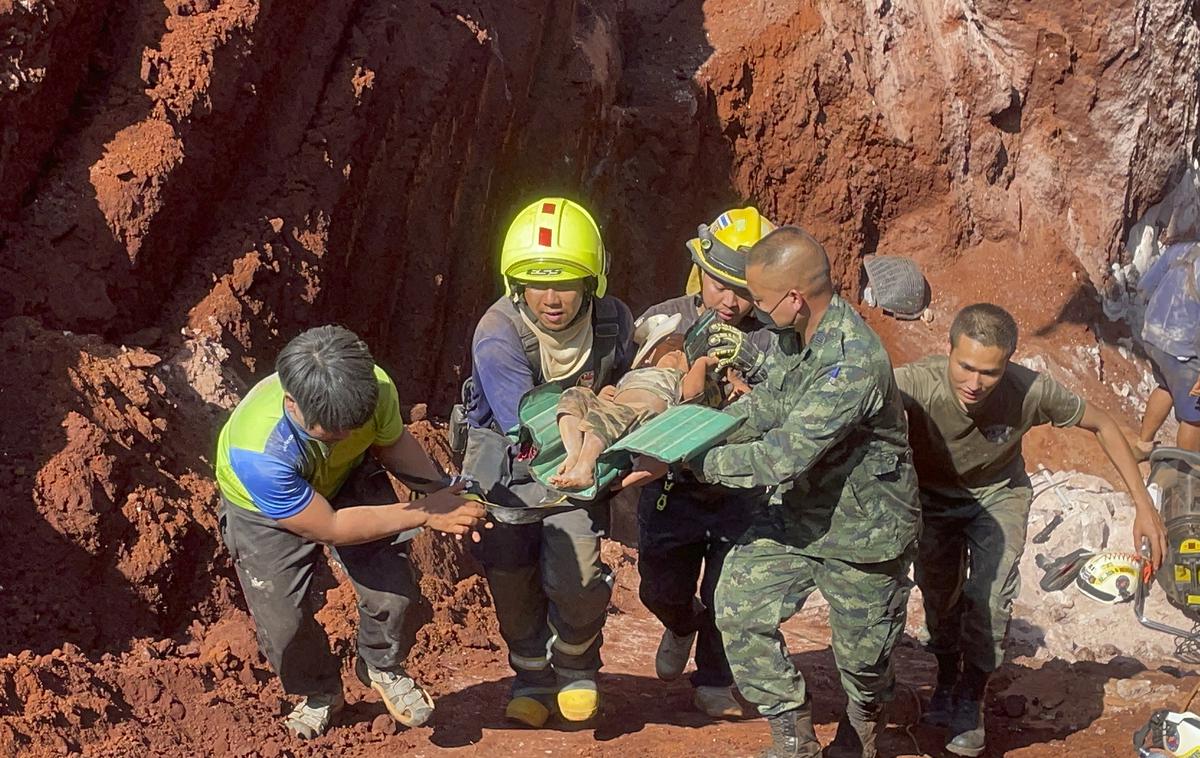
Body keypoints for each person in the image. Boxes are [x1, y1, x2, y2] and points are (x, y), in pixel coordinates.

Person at [629, 226, 921, 757]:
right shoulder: (796, 337)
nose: (754, 312)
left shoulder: (852, 363)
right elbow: (764, 408)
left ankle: (866, 720)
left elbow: (779, 455)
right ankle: (792, 736)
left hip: (864, 533)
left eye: (760, 300)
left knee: (864, 664)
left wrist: (694, 462)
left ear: (794, 297)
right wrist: (686, 433)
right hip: (799, 518)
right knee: (737, 607)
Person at [895, 303, 1168, 757]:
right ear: (948, 351)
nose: (974, 383)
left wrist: (1144, 506)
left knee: (989, 596)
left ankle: (970, 697)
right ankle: (946, 676)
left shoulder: (1029, 390)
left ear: (1008, 364)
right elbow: (854, 398)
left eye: (989, 372)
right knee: (938, 594)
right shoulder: (916, 383)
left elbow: (1100, 423)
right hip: (933, 500)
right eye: (964, 366)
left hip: (999, 496)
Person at [214, 325, 486, 740]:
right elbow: (332, 527)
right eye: (333, 428)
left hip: (346, 474)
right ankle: (320, 693)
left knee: (391, 591)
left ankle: (379, 664)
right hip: (264, 510)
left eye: (352, 425)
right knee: (284, 622)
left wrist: (440, 489)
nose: (344, 433)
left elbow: (391, 443)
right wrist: (425, 512)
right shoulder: (258, 454)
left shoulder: (374, 388)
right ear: (293, 404)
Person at [463, 197, 635, 727]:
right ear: (517, 284)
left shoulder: (614, 322)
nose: (551, 297)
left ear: (592, 280)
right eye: (536, 282)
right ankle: (531, 677)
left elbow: (627, 391)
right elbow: (528, 421)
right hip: (511, 471)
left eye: (564, 281)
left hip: (579, 469)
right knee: (512, 578)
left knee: (578, 574)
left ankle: (577, 667)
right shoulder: (497, 332)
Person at [627, 207, 777, 720]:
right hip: (674, 487)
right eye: (720, 284)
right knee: (659, 586)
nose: (731, 302)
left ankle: (715, 678)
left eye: (745, 290)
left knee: (728, 592)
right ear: (699, 270)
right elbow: (636, 393)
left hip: (742, 488)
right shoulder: (663, 320)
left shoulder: (777, 336)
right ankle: (679, 622)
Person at [551, 321, 720, 491]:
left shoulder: (677, 377)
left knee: (606, 416)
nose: (677, 351)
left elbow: (693, 393)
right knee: (574, 395)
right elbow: (611, 395)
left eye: (682, 354)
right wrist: (604, 395)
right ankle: (574, 453)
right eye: (671, 346)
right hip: (616, 409)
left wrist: (701, 364)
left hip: (643, 415)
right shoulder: (635, 373)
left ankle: (584, 470)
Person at [1134, 238, 1200, 455]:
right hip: (1184, 350)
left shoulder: (1180, 250)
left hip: (1154, 338)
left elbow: (1144, 286)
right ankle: (1188, 472)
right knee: (1195, 416)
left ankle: (1143, 446)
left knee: (1166, 387)